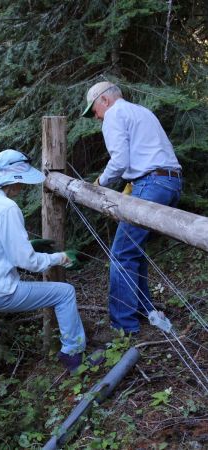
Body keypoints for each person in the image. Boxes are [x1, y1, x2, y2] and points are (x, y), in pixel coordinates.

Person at [0, 149, 86, 412]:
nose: (22, 186)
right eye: (21, 181)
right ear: (11, 179)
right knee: (64, 292)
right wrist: (60, 258)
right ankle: (72, 354)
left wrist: (29, 245)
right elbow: (28, 262)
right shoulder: (7, 207)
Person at [82, 81, 182, 334]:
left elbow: (119, 160)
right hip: (169, 183)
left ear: (104, 100)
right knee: (133, 252)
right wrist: (133, 183)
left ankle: (123, 326)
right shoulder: (141, 111)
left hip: (151, 183)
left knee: (122, 255)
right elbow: (143, 155)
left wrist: (99, 183)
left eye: (94, 109)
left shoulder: (113, 115)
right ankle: (143, 310)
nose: (95, 116)